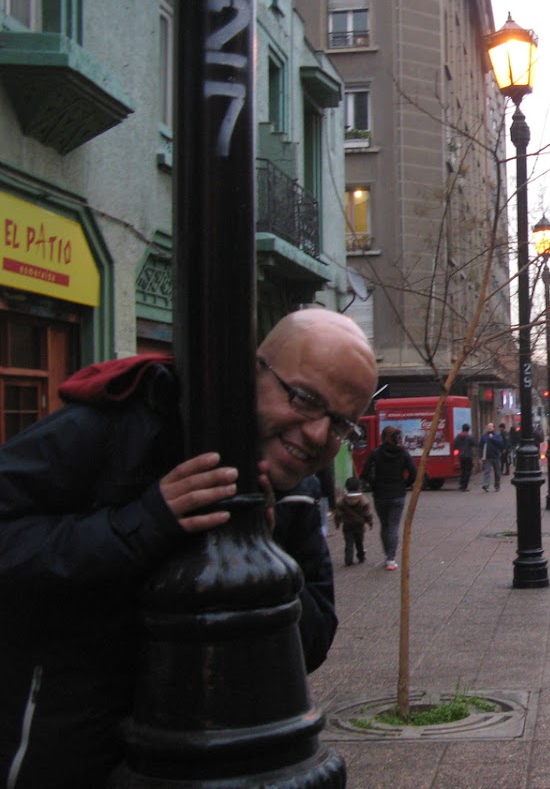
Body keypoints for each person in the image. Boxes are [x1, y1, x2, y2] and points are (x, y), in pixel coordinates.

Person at [0, 308, 377, 787]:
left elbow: (312, 644)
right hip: (65, 754)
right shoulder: (123, 425)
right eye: (304, 399)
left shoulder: (298, 489)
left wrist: (263, 555)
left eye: (341, 423)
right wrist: (142, 524)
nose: (319, 434)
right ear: (250, 372)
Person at [361, 425, 416, 570]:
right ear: (398, 438)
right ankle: (391, 559)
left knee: (384, 525)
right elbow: (413, 472)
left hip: (380, 494)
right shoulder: (403, 453)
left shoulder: (375, 453)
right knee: (393, 526)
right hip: (397, 493)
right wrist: (405, 484)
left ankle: (387, 554)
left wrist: (373, 484)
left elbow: (365, 473)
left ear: (382, 437)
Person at [333, 476, 374, 566]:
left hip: (347, 524)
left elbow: (338, 513)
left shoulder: (342, 500)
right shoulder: (363, 500)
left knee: (349, 542)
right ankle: (361, 557)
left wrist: (337, 523)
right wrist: (370, 522)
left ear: (346, 487)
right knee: (359, 542)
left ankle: (348, 559)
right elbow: (367, 513)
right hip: (359, 524)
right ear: (359, 487)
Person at [479, 423, 505, 492]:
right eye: (488, 426)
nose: (489, 428)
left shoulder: (497, 436)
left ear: (494, 428)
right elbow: (481, 446)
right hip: (487, 457)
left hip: (496, 456)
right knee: (487, 471)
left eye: (491, 426)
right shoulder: (484, 436)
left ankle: (497, 486)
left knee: (497, 472)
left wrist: (492, 438)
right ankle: (486, 485)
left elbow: (501, 444)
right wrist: (481, 455)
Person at [453, 423, 477, 490]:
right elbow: (474, 444)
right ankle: (464, 486)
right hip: (468, 456)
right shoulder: (470, 437)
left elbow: (455, 446)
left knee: (463, 470)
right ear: (468, 429)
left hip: (461, 456)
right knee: (468, 471)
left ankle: (461, 484)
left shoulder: (458, 436)